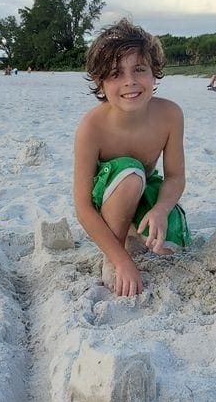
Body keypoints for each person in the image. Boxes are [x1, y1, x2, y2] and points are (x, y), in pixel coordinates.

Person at [74, 19, 191, 297]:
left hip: (143, 190)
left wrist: (161, 209)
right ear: (100, 83)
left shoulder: (170, 115)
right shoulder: (92, 126)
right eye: (116, 74)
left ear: (154, 74)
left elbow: (175, 176)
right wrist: (122, 261)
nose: (130, 82)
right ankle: (114, 248)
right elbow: (82, 206)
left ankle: (133, 230)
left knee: (168, 243)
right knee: (130, 173)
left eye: (139, 69)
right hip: (110, 197)